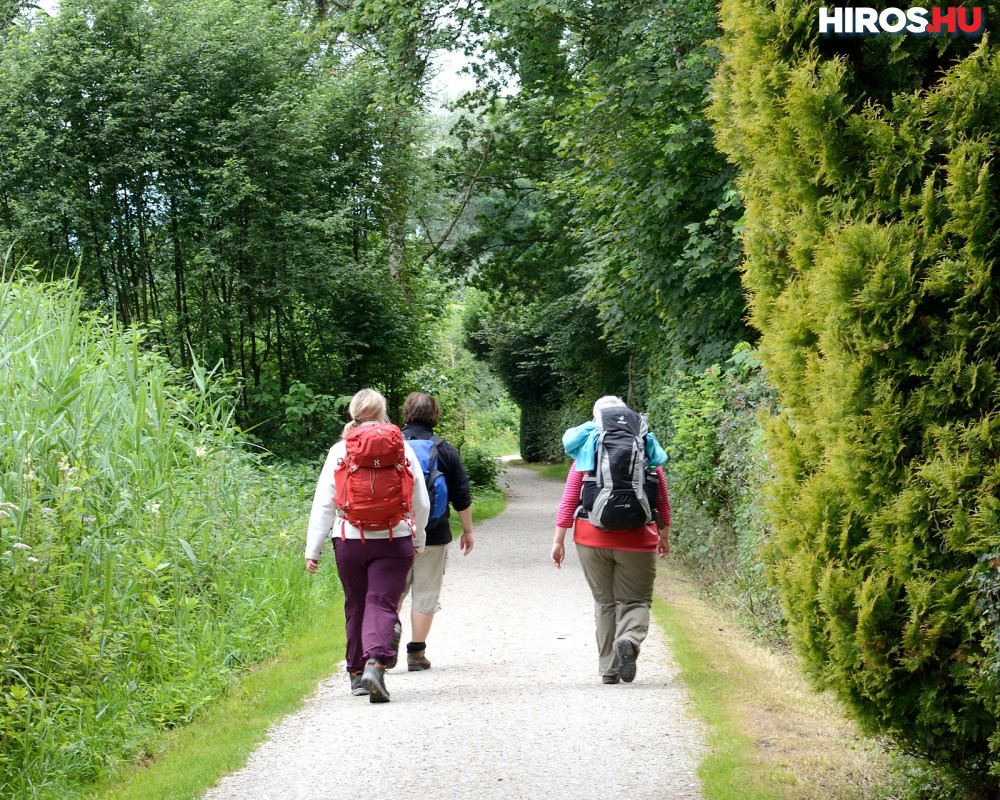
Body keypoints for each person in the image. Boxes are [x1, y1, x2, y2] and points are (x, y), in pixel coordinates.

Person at [305, 388, 429, 703]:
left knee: (356, 604)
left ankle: (357, 674)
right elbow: (421, 501)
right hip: (394, 537)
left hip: (349, 540)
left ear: (353, 413)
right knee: (382, 603)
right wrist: (418, 537)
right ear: (383, 413)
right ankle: (376, 663)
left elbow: (323, 504)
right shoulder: (402, 448)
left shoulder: (340, 450)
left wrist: (313, 550)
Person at [551, 395, 671, 684]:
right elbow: (661, 496)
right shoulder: (645, 446)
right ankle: (629, 638)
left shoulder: (587, 448)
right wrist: (664, 534)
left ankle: (609, 670)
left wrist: (558, 540)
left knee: (604, 603)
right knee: (636, 600)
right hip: (638, 538)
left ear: (595, 420)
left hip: (591, 537)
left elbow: (569, 500)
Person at [399, 392, 474, 671]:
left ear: (406, 413)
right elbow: (461, 495)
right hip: (434, 531)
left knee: (393, 590)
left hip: (395, 532)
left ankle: (384, 642)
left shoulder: (391, 445)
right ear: (435, 415)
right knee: (426, 592)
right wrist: (467, 531)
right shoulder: (444, 449)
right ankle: (416, 654)